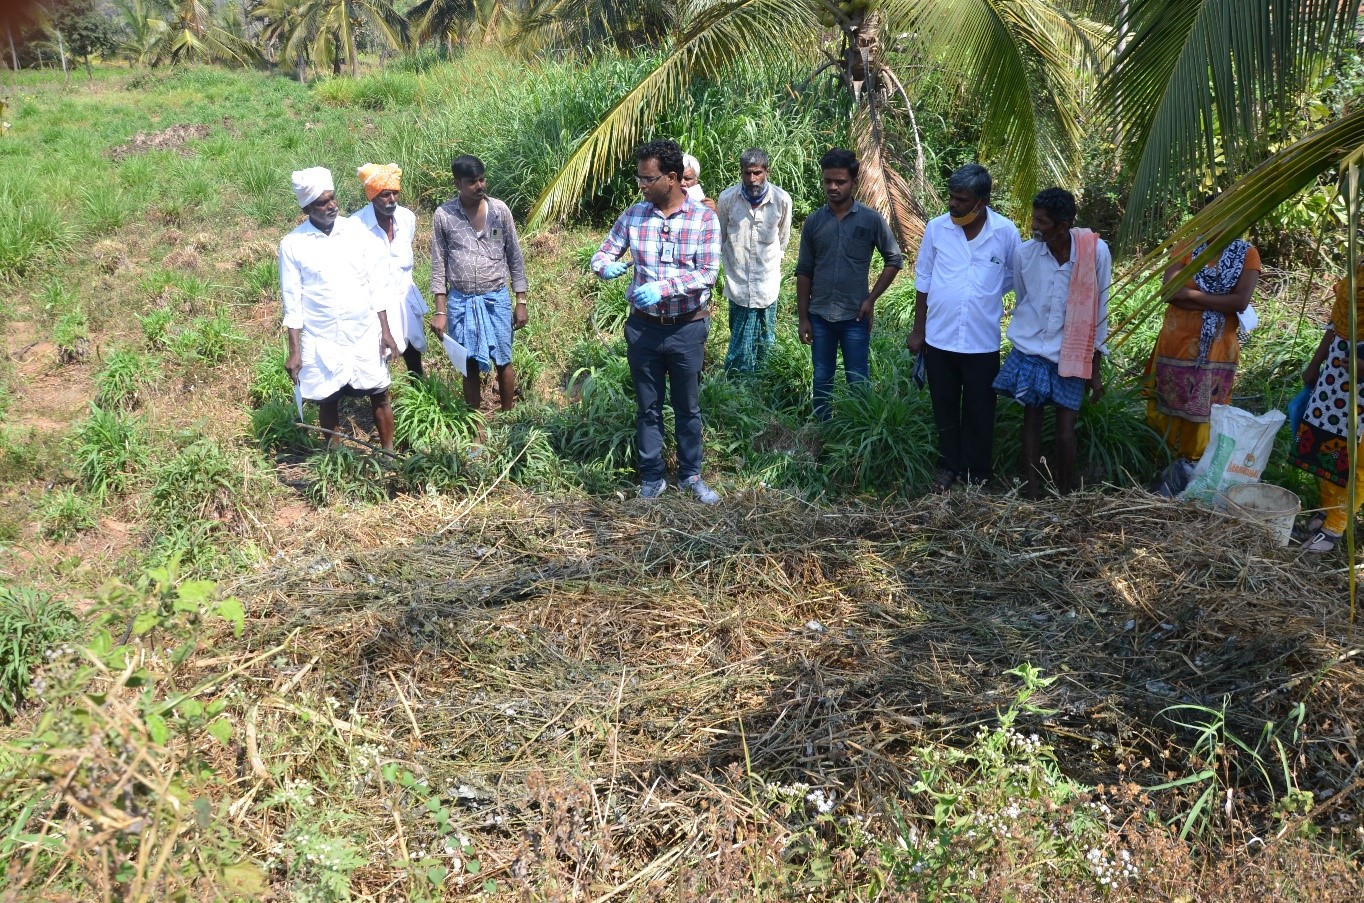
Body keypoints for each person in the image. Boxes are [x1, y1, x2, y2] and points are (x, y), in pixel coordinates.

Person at [592, 139, 721, 504]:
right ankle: (651, 478)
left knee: (688, 407)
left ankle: (691, 475)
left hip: (687, 327)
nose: (642, 186)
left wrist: (664, 288)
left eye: (648, 179)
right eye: (639, 179)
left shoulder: (703, 219)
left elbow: (708, 273)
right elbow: (602, 254)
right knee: (647, 406)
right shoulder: (634, 216)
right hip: (644, 328)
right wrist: (605, 268)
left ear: (673, 178)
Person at [907, 163, 1020, 486]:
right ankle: (948, 466)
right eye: (951, 197)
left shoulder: (1005, 233)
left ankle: (977, 473)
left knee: (980, 409)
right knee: (943, 405)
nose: (953, 204)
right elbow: (924, 278)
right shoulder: (937, 228)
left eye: (961, 199)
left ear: (981, 202)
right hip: (939, 338)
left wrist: (984, 294)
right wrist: (919, 329)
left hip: (982, 340)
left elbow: (1015, 274)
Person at [992, 188, 1110, 497]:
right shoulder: (1026, 254)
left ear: (1063, 225)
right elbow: (1023, 297)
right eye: (1035, 218)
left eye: (1042, 221)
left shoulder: (1096, 253)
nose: (1035, 226)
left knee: (1064, 432)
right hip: (1032, 349)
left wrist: (1095, 371)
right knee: (1030, 421)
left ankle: (1065, 493)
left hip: (1072, 354)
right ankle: (1032, 491)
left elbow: (1101, 309)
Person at [279, 166, 400, 450]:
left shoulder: (356, 231)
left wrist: (386, 331)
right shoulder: (293, 244)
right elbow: (292, 301)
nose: (332, 205)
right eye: (323, 202)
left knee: (380, 392)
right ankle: (336, 460)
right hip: (322, 335)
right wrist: (295, 352)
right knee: (327, 398)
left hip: (363, 329)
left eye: (333, 198)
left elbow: (376, 285)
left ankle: (388, 453)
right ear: (307, 207)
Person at [795, 148, 903, 420]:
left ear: (853, 182)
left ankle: (861, 429)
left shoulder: (870, 219)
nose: (832, 187)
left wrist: (871, 299)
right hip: (819, 315)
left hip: (855, 315)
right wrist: (803, 318)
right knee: (821, 376)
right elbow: (805, 271)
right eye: (828, 181)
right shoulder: (814, 222)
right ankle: (822, 428)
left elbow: (894, 259)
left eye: (840, 181)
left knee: (858, 377)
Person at [1145, 216, 1261, 462]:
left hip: (1216, 351)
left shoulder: (1247, 254)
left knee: (1206, 410)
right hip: (1175, 346)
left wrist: (1191, 296)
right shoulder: (1186, 246)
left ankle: (1194, 466)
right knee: (1167, 405)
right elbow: (1168, 292)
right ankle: (1158, 461)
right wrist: (1218, 300)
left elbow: (1240, 301)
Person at [430, 154, 529, 412]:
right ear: (457, 184)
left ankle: (508, 416)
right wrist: (440, 311)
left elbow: (515, 257)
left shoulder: (499, 211)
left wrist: (521, 301)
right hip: (461, 301)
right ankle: (474, 424)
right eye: (472, 182)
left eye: (482, 179)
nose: (480, 186)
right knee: (468, 365)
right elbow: (438, 265)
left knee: (504, 360)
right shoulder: (444, 215)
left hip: (496, 299)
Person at [1289, 268, 1364, 554]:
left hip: (1360, 382)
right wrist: (1315, 363)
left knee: (1357, 459)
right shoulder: (1359, 264)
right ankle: (1326, 511)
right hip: (1336, 375)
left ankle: (1334, 528)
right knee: (1327, 445)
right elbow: (1336, 323)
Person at [716, 147, 792, 373]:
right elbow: (721, 236)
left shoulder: (781, 200)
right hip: (737, 282)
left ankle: (765, 377)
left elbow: (783, 239)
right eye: (747, 173)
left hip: (767, 282)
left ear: (767, 171)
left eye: (757, 172)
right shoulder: (728, 199)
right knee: (738, 334)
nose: (752, 179)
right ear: (741, 172)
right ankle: (737, 379)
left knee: (766, 335)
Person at [353, 162, 428, 377]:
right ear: (372, 195)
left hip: (405, 295)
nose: (392, 200)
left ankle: (419, 392)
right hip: (374, 303)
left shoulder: (407, 219)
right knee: (378, 356)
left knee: (413, 351)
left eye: (395, 193)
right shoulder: (355, 226)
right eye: (385, 195)